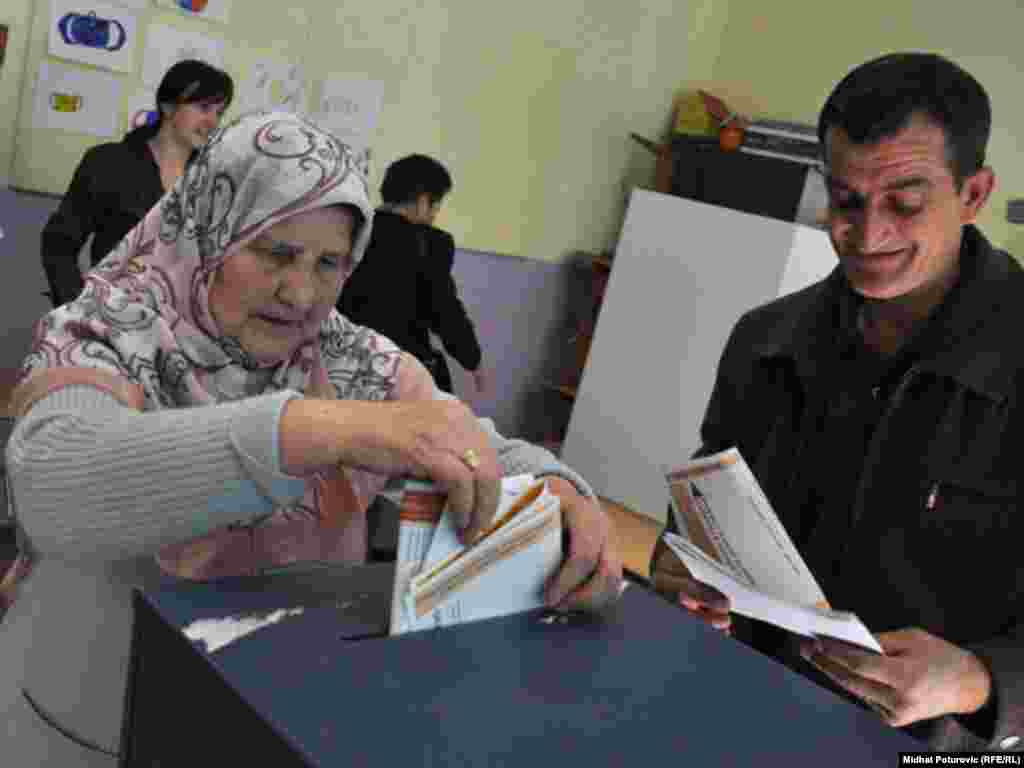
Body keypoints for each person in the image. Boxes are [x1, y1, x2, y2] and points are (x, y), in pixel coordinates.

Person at [2, 112, 622, 766]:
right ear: (212, 230)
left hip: (278, 716)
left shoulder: (350, 359)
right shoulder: (105, 331)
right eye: (275, 252)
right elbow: (54, 487)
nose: (301, 292)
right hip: (86, 724)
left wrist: (560, 491)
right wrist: (318, 429)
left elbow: (470, 442)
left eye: (330, 263)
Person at [651, 52, 1023, 752]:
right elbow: (709, 509)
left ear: (973, 195)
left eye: (906, 202)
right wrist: (684, 569)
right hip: (743, 710)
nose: (867, 232)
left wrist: (981, 680)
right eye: (847, 199)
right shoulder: (765, 340)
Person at [41, 59, 233, 307]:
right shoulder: (109, 163)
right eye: (203, 107)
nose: (212, 122)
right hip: (111, 317)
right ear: (168, 106)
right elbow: (59, 244)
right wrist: (77, 307)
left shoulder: (213, 181)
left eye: (219, 112)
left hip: (176, 330)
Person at [338, 154, 490, 396]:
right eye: (436, 205)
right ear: (423, 201)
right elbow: (444, 310)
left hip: (342, 362)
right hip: (397, 369)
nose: (435, 214)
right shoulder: (431, 244)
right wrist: (474, 361)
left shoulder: (351, 227)